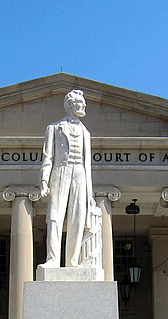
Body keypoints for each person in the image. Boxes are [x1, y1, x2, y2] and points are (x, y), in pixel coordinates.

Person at [39, 89, 100, 271]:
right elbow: (47, 157)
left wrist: (90, 193)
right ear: (70, 105)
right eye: (80, 103)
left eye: (84, 104)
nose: (83, 106)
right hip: (60, 172)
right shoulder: (54, 128)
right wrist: (44, 181)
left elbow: (87, 163)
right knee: (55, 218)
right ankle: (53, 259)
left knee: (78, 218)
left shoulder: (86, 132)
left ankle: (73, 261)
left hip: (80, 174)